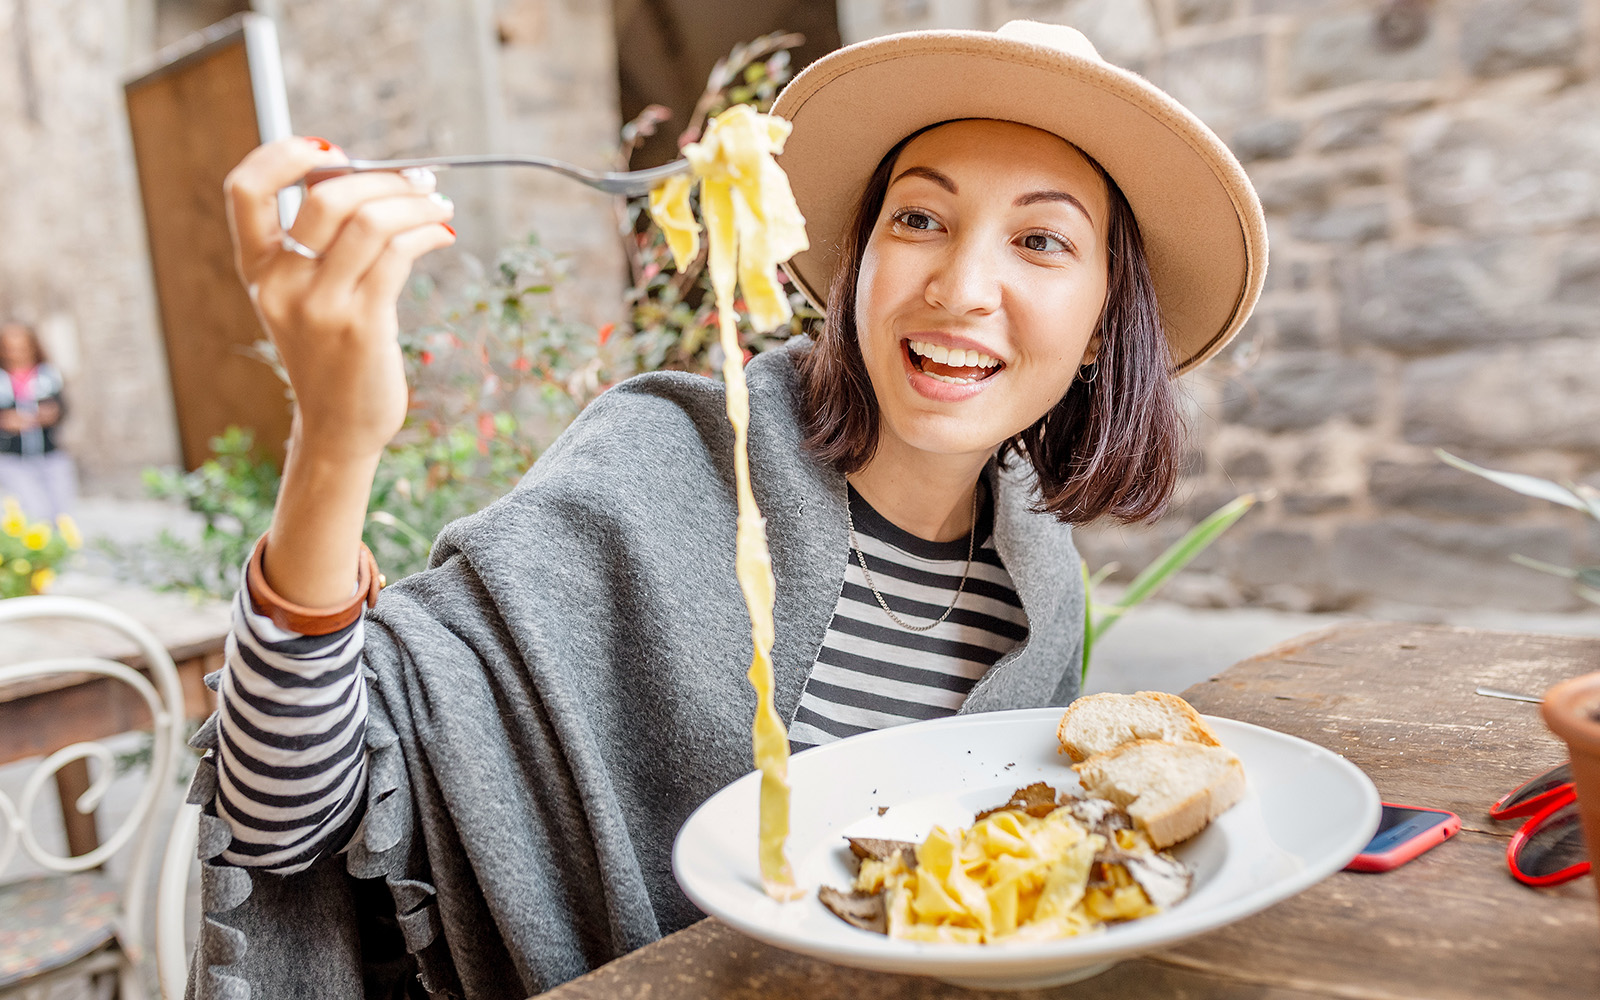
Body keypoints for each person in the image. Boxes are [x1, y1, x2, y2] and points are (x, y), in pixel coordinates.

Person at [187, 20, 1265, 1000]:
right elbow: (289, 814)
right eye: (920, 217)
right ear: (853, 266)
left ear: (1097, 329)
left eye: (1040, 241)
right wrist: (336, 435)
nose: (961, 285)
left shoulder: (1039, 588)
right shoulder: (658, 464)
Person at [0, 320, 76, 522]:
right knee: (35, 511)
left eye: (21, 348)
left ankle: (62, 551)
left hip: (49, 453)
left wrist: (52, 413)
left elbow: (63, 407)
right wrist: (5, 421)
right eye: (10, 348)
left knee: (62, 513)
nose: (16, 354)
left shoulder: (47, 374)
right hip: (13, 457)